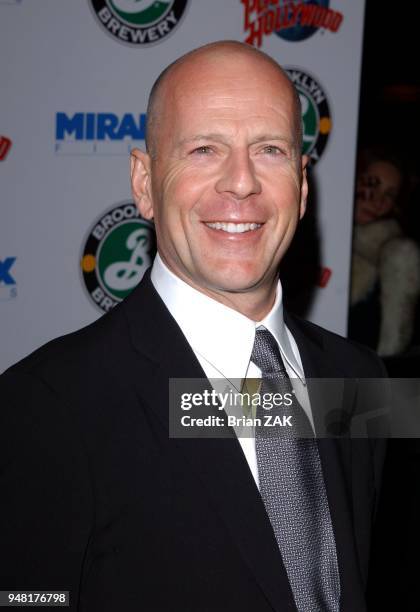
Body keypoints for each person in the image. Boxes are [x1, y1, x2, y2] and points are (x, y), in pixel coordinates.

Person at [0, 41, 386, 612]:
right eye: (205, 149)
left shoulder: (362, 379)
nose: (241, 183)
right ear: (143, 181)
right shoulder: (45, 405)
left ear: (302, 187)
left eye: (271, 150)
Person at [348, 147, 420, 356]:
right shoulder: (304, 237)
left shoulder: (398, 260)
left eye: (389, 195)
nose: (378, 201)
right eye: (371, 184)